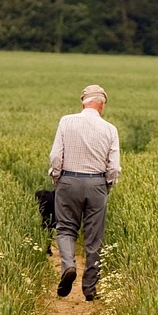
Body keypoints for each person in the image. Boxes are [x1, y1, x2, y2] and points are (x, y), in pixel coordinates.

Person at [48, 84, 121, 300]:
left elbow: (55, 156)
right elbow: (114, 167)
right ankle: (90, 290)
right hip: (97, 184)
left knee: (66, 229)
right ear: (102, 105)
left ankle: (69, 266)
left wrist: (57, 178)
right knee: (93, 237)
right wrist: (105, 186)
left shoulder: (66, 121)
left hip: (68, 180)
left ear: (83, 102)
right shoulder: (110, 129)